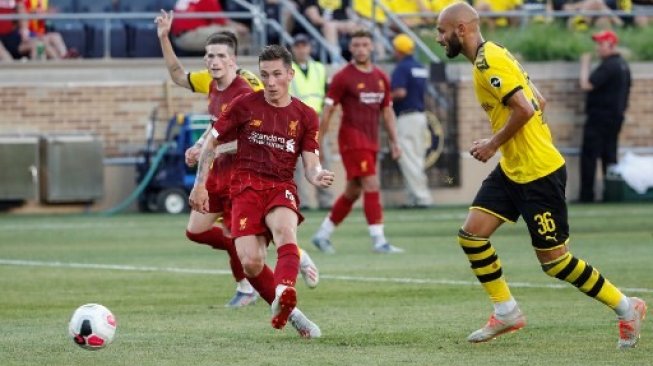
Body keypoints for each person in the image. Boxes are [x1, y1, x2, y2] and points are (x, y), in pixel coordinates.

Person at [436, 2, 646, 348]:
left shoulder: (490, 62)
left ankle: (627, 307)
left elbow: (526, 107)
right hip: (513, 169)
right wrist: (509, 145)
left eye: (442, 31)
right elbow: (541, 101)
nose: (439, 38)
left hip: (538, 173)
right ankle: (506, 312)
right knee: (472, 236)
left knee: (556, 263)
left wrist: (492, 143)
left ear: (461, 29)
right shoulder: (494, 56)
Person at [156, 11, 319, 309]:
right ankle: (287, 257)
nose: (213, 62)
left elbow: (257, 133)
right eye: (209, 56)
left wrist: (212, 149)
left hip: (244, 175)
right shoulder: (211, 81)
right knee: (196, 231)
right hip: (218, 170)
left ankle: (253, 286)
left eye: (219, 56)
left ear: (232, 59)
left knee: (239, 235)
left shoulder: (249, 90)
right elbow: (182, 80)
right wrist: (164, 37)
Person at [190, 44, 335, 338]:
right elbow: (212, 142)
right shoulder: (245, 105)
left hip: (280, 185)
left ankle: (285, 289)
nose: (270, 82)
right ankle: (292, 314)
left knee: (285, 231)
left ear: (290, 74)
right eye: (265, 75)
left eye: (277, 74)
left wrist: (317, 175)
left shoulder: (306, 115)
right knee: (252, 263)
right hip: (244, 188)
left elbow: (310, 162)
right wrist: (200, 184)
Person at [311, 30, 403, 254]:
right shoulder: (343, 77)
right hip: (352, 140)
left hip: (371, 141)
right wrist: (318, 143)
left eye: (365, 44)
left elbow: (387, 111)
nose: (361, 48)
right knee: (371, 184)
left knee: (353, 191)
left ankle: (322, 235)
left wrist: (394, 141)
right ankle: (379, 241)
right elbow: (328, 110)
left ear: (372, 47)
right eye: (356, 45)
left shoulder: (381, 77)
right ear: (350, 48)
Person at [578, 30, 631, 203]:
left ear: (611, 44)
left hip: (599, 118)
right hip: (615, 118)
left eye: (601, 44)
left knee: (589, 156)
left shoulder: (609, 65)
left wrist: (584, 64)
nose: (597, 48)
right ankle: (612, 194)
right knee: (610, 156)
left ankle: (587, 196)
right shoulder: (623, 64)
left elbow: (587, 84)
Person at [290, 33, 333, 210]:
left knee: (323, 158)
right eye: (298, 46)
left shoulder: (319, 68)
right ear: (293, 48)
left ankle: (326, 199)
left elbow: (326, 94)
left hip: (317, 117)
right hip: (296, 119)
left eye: (304, 45)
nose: (301, 49)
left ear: (309, 47)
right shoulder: (288, 69)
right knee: (299, 164)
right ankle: (304, 201)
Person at [390, 33, 433, 209]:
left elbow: (400, 92)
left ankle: (422, 198)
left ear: (399, 50)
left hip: (407, 117)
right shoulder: (419, 66)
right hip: (420, 116)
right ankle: (412, 198)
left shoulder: (402, 68)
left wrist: (384, 100)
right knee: (417, 157)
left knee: (407, 158)